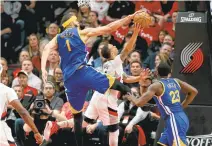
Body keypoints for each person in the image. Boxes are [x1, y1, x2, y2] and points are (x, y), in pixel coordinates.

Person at [41, 10, 142, 146]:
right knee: (118, 86)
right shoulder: (82, 32)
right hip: (83, 72)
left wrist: (43, 69)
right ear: (71, 21)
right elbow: (109, 28)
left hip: (70, 80)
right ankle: (139, 101)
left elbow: (46, 48)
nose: (78, 20)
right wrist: (129, 17)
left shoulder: (58, 37)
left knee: (78, 118)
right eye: (75, 19)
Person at [84, 23, 142, 146]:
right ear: (111, 53)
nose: (114, 46)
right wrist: (136, 33)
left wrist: (139, 77)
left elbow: (125, 78)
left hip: (100, 97)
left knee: (86, 123)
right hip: (106, 98)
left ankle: (61, 125)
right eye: (111, 46)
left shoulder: (113, 64)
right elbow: (128, 49)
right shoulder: (115, 61)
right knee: (113, 129)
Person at [124, 62, 198, 146]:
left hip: (174, 120)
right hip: (179, 117)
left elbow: (140, 103)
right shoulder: (176, 81)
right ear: (170, 72)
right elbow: (194, 91)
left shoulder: (156, 86)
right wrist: (181, 106)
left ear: (156, 72)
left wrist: (132, 97)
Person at [0, 64, 43, 146]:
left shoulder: (32, 91)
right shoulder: (8, 90)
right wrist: (36, 132)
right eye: (20, 77)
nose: (21, 79)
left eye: (24, 77)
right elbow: (22, 111)